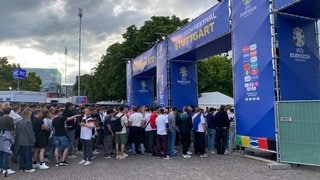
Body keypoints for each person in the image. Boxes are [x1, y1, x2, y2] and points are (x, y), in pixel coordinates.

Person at [16, 108, 36, 173]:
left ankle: (22, 167)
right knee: (28, 155)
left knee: (21, 155)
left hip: (20, 141)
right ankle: (28, 167)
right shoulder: (28, 122)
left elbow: (17, 131)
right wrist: (33, 140)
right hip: (27, 141)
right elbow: (30, 132)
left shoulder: (19, 122)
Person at [0, 105, 15, 175]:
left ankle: (1, 167)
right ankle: (6, 168)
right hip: (8, 136)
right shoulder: (10, 119)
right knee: (7, 152)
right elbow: (12, 130)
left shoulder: (1, 118)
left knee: (1, 152)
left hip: (1, 135)